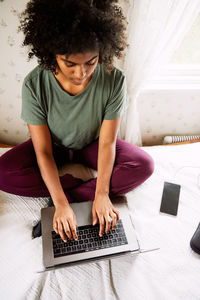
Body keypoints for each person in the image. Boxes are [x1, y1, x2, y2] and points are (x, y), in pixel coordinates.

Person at [0, 0, 154, 243]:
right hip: (54, 147)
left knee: (143, 164)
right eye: (69, 64)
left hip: (93, 144)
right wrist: (60, 204)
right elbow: (42, 151)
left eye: (91, 63)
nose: (81, 74)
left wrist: (101, 193)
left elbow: (107, 143)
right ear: (51, 54)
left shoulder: (115, 79)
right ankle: (69, 193)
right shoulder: (35, 83)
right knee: (2, 172)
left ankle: (72, 192)